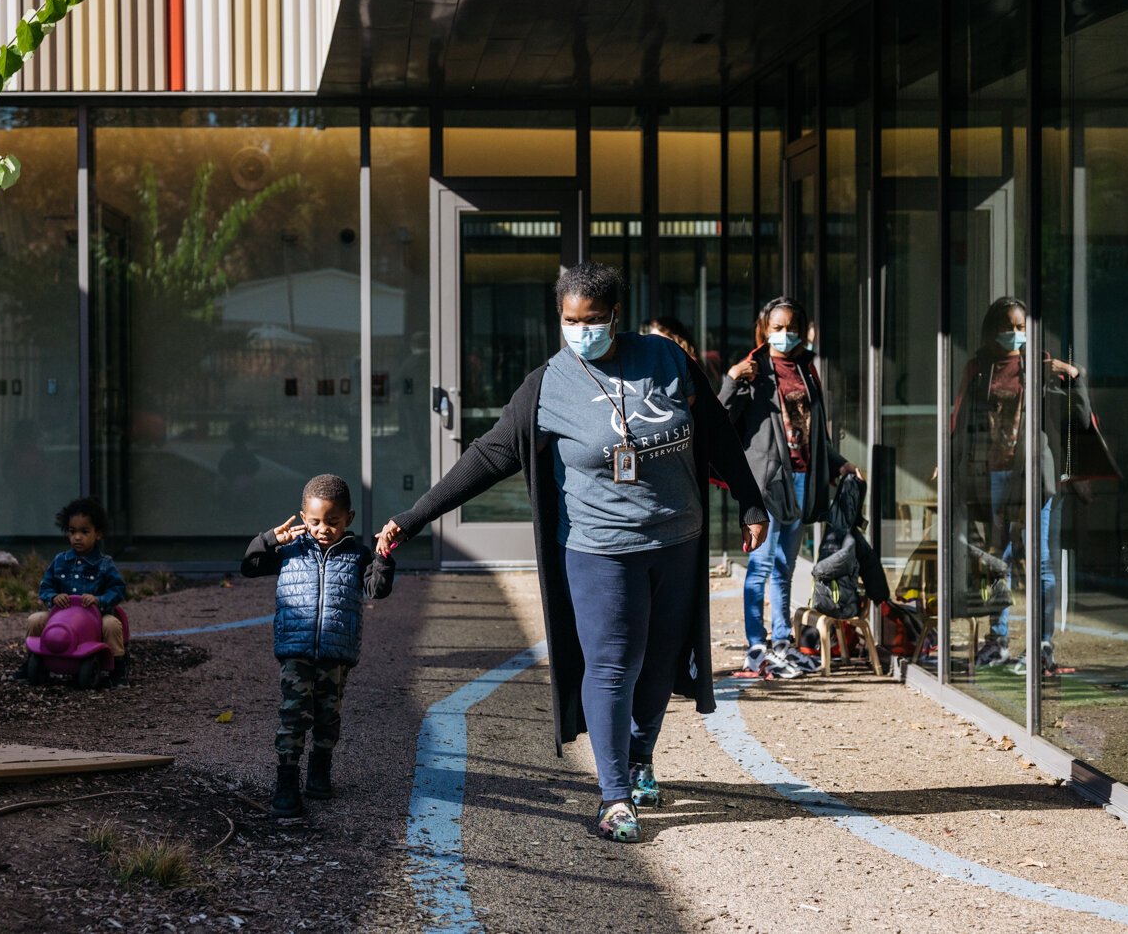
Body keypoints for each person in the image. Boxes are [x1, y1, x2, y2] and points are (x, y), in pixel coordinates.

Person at [375, 262, 769, 844]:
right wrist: (414, 518)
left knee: (660, 665)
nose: (581, 330)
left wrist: (751, 501)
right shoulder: (546, 386)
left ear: (616, 316)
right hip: (598, 550)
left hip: (677, 542)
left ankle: (639, 758)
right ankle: (613, 797)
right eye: (569, 320)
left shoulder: (666, 360)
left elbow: (713, 431)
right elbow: (487, 457)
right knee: (613, 664)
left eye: (593, 320)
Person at [719, 297, 858, 680]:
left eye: (790, 327)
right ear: (764, 329)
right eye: (777, 328)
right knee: (761, 565)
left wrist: (837, 463)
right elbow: (719, 419)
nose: (784, 334)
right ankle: (756, 644)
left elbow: (815, 433)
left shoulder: (806, 369)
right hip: (767, 482)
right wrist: (731, 380)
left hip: (802, 478)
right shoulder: (754, 370)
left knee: (784, 567)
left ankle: (781, 640)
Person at [241, 474, 395, 817]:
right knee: (293, 716)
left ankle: (320, 770)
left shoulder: (358, 555)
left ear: (349, 519)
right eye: (314, 521)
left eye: (332, 521)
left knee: (328, 715)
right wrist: (268, 540)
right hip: (296, 650)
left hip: (336, 652)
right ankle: (286, 782)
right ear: (302, 516)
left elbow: (378, 589)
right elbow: (249, 567)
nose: (323, 528)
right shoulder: (289, 550)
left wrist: (383, 556)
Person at [950, 297, 1084, 672]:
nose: (1015, 334)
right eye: (1008, 326)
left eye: (1022, 327)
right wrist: (951, 463)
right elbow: (961, 419)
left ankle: (1042, 644)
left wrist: (1071, 373)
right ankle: (998, 639)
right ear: (992, 330)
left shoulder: (1038, 366)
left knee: (1040, 560)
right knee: (998, 558)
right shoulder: (979, 368)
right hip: (993, 472)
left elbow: (1079, 414)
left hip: (1034, 476)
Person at [25, 496, 128, 680]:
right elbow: (46, 587)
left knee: (112, 625)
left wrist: (99, 600)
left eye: (84, 531)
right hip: (62, 615)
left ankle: (117, 668)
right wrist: (54, 597)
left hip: (94, 617)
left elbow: (118, 589)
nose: (77, 537)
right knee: (35, 620)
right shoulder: (60, 561)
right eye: (72, 532)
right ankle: (32, 660)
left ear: (98, 534)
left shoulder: (104, 564)